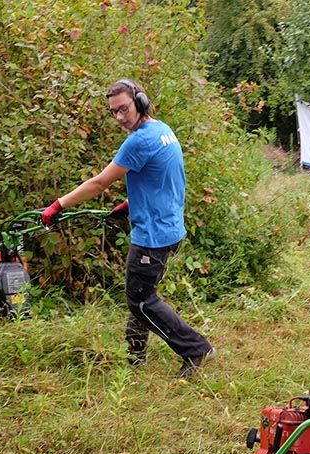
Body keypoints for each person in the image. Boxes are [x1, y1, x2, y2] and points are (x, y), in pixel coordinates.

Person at [41, 79, 215, 378]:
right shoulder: (163, 130)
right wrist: (130, 204)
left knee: (141, 300)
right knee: (141, 295)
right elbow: (163, 178)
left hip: (153, 235)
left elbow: (99, 183)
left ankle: (196, 349)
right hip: (169, 226)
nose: (120, 117)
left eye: (124, 109)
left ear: (141, 103)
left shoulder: (139, 140)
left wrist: (58, 205)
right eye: (114, 112)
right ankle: (135, 358)